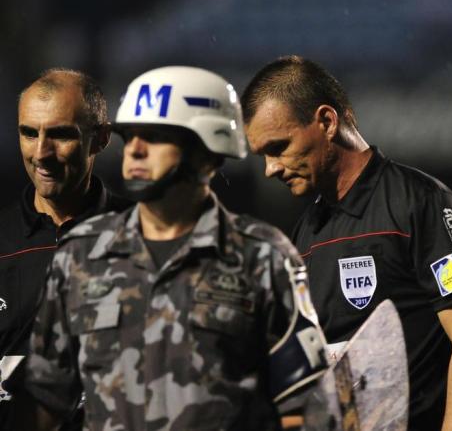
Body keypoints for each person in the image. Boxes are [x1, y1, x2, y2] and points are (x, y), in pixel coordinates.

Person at [22, 66, 325, 430]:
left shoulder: (262, 257)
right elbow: (43, 402)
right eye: (129, 137)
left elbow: (304, 408)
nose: (134, 151)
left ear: (207, 153)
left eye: (153, 137)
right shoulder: (79, 257)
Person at [243, 55, 452, 431]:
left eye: (278, 147)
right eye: (263, 155)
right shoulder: (305, 233)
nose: (270, 168)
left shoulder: (418, 202)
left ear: (327, 122)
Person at [0, 68, 129, 428]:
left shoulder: (145, 238)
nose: (41, 153)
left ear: (101, 138)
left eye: (60, 134)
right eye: (29, 133)